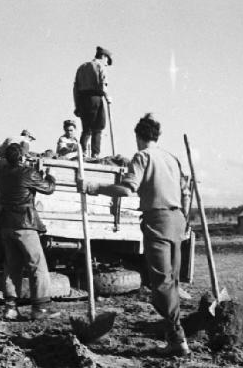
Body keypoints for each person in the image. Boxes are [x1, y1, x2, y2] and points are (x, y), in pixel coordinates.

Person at [77, 113, 191, 356]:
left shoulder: (142, 156)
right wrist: (185, 219)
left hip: (158, 221)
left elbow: (128, 189)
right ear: (157, 136)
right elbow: (186, 192)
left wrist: (93, 187)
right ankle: (175, 333)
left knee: (161, 284)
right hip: (177, 221)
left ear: (138, 136)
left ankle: (177, 338)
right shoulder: (172, 158)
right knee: (172, 281)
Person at [0, 141, 60, 320]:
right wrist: (50, 176)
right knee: (37, 265)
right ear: (23, 157)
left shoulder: (2, 174)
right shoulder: (28, 173)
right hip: (24, 224)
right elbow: (49, 189)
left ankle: (10, 308)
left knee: (12, 266)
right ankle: (40, 308)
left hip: (6, 223)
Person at [73, 46, 113, 158]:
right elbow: (103, 85)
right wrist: (107, 97)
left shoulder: (82, 67)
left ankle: (82, 152)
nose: (106, 64)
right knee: (98, 128)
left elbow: (75, 89)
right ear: (104, 56)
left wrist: (77, 105)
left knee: (86, 129)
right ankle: (95, 154)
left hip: (82, 100)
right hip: (95, 98)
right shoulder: (100, 66)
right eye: (107, 61)